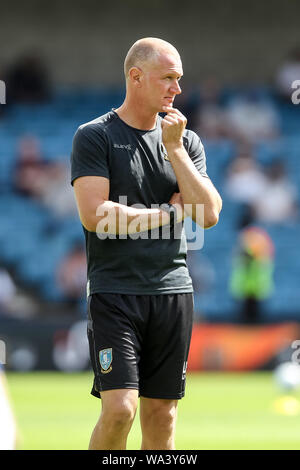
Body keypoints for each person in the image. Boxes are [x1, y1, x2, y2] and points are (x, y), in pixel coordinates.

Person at [71, 37, 222, 450]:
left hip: (172, 292)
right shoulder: (95, 136)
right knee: (120, 409)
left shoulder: (184, 141)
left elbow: (209, 213)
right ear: (136, 77)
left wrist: (174, 148)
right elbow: (96, 215)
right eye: (168, 78)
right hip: (115, 292)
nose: (177, 88)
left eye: (179, 79)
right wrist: (172, 215)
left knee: (162, 417)